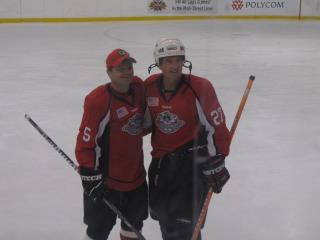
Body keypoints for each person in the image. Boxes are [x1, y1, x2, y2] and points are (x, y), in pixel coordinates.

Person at [144, 38, 231, 239]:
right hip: (161, 166)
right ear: (158, 63)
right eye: (168, 61)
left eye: (178, 60)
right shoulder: (149, 87)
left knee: (186, 227)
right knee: (164, 221)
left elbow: (217, 127)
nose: (175, 66)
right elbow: (144, 124)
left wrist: (218, 158)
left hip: (191, 167)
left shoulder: (200, 87)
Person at [75, 49, 148, 240]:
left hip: (136, 179)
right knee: (98, 231)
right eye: (120, 68)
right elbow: (85, 142)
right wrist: (89, 174)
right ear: (109, 72)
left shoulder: (139, 87)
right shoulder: (98, 100)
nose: (127, 72)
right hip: (106, 182)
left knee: (133, 227)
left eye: (129, 66)